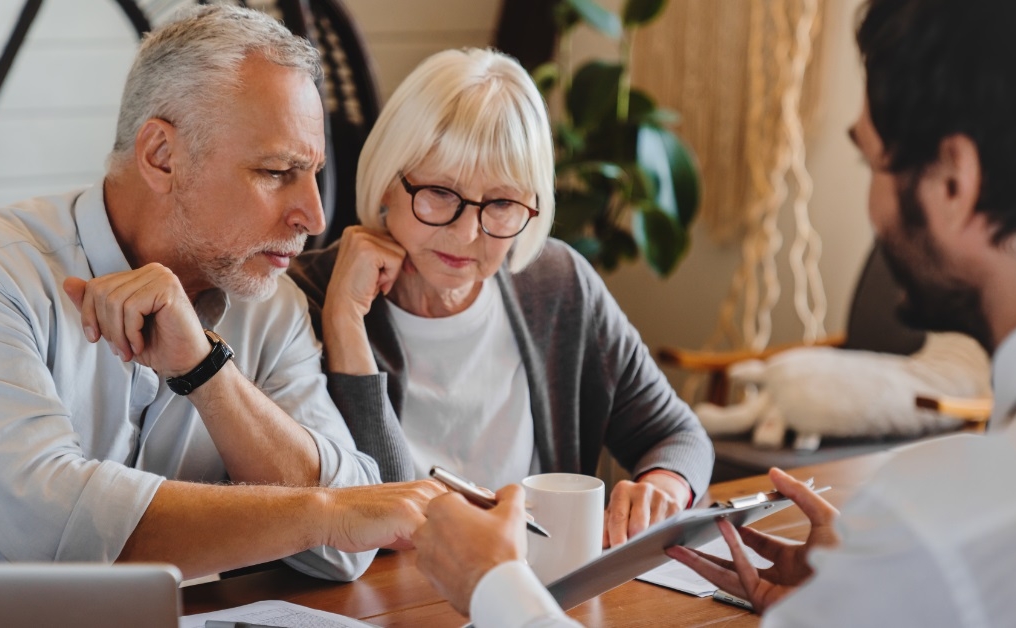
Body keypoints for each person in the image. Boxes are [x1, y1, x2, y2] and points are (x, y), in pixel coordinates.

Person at [414, 0, 1016, 625]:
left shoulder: (940, 528)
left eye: (872, 162)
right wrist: (856, 598)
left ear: (955, 180)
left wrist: (495, 589)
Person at [0, 5, 444, 581]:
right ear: (161, 156)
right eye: (275, 171)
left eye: (312, 172)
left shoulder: (273, 307)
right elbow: (56, 531)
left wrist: (208, 373)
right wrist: (320, 512)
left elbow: (348, 549)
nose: (314, 216)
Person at [287, 48, 713, 549]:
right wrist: (343, 325)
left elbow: (678, 436)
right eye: (441, 192)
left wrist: (663, 486)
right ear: (386, 181)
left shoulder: (556, 283)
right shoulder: (306, 297)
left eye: (503, 203)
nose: (468, 233)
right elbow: (367, 514)